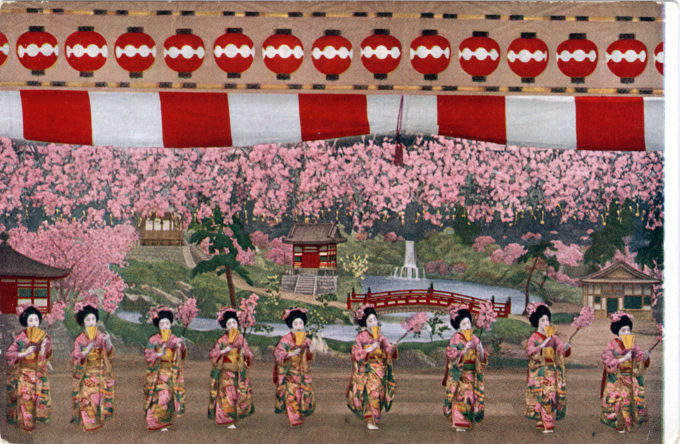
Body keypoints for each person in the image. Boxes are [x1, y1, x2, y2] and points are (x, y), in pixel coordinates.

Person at [346, 304, 397, 430]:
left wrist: (392, 347)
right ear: (364, 323)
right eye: (370, 321)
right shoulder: (361, 337)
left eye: (375, 319)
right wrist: (369, 349)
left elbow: (388, 350)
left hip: (380, 371)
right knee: (371, 394)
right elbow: (356, 353)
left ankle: (374, 419)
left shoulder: (381, 337)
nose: (373, 323)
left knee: (379, 395)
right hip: (367, 371)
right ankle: (371, 420)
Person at [5, 303, 53, 432]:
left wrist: (44, 348)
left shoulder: (43, 337)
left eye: (36, 320)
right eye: (30, 320)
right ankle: (26, 424)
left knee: (39, 397)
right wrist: (23, 353)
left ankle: (39, 418)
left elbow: (47, 356)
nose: (33, 323)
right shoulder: (20, 338)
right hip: (24, 372)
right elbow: (9, 354)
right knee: (25, 397)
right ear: (25, 322)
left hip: (38, 371)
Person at [524, 302, 571, 433]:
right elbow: (530, 351)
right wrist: (542, 345)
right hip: (540, 371)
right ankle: (543, 420)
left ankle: (547, 421)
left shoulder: (553, 337)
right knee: (542, 396)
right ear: (537, 321)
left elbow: (560, 348)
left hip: (551, 371)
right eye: (542, 320)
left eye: (547, 320)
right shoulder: (534, 337)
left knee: (550, 395)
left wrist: (565, 347)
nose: (545, 323)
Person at [601, 311, 650, 433]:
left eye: (628, 330)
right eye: (623, 330)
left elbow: (639, 356)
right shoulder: (612, 345)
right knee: (618, 401)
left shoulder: (632, 344)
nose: (626, 333)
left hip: (629, 377)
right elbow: (606, 359)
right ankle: (620, 424)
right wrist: (622, 359)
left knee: (629, 400)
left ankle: (628, 423)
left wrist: (644, 357)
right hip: (617, 377)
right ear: (617, 331)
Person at [71, 296, 115, 431]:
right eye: (88, 320)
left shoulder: (101, 336)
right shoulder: (80, 339)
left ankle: (97, 421)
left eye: (93, 319)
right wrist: (85, 352)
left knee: (99, 397)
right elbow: (76, 356)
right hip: (86, 372)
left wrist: (108, 342)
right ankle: (88, 423)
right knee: (86, 396)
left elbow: (109, 354)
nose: (91, 322)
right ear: (83, 322)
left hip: (100, 372)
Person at [443, 304, 487, 431]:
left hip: (472, 374)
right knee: (459, 397)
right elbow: (451, 354)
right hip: (460, 375)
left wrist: (481, 350)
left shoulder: (475, 338)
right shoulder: (455, 338)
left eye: (468, 323)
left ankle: (468, 420)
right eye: (464, 324)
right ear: (458, 326)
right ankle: (459, 422)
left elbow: (482, 359)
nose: (467, 326)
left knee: (471, 398)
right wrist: (465, 350)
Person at [208, 307, 254, 428]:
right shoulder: (222, 340)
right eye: (229, 324)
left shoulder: (241, 339)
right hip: (226, 372)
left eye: (234, 322)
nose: (232, 325)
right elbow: (213, 354)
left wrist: (245, 353)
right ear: (225, 327)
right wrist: (223, 351)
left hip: (238, 371)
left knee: (237, 395)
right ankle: (226, 418)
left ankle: (236, 416)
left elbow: (249, 355)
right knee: (227, 394)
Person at [143, 306, 186, 431]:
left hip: (171, 371)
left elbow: (182, 355)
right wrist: (158, 354)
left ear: (171, 324)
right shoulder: (153, 340)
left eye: (167, 323)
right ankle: (154, 420)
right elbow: (148, 356)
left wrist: (181, 346)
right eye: (162, 324)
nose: (165, 326)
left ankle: (164, 421)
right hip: (158, 372)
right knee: (161, 395)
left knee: (169, 397)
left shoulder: (174, 339)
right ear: (158, 325)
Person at [274, 307, 316, 427]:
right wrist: (290, 354)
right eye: (295, 323)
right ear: (291, 325)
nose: (298, 326)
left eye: (300, 323)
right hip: (290, 372)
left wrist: (311, 350)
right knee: (291, 394)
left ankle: (300, 413)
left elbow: (310, 358)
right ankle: (294, 418)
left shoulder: (306, 340)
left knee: (303, 394)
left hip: (303, 371)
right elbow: (278, 353)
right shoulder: (285, 340)